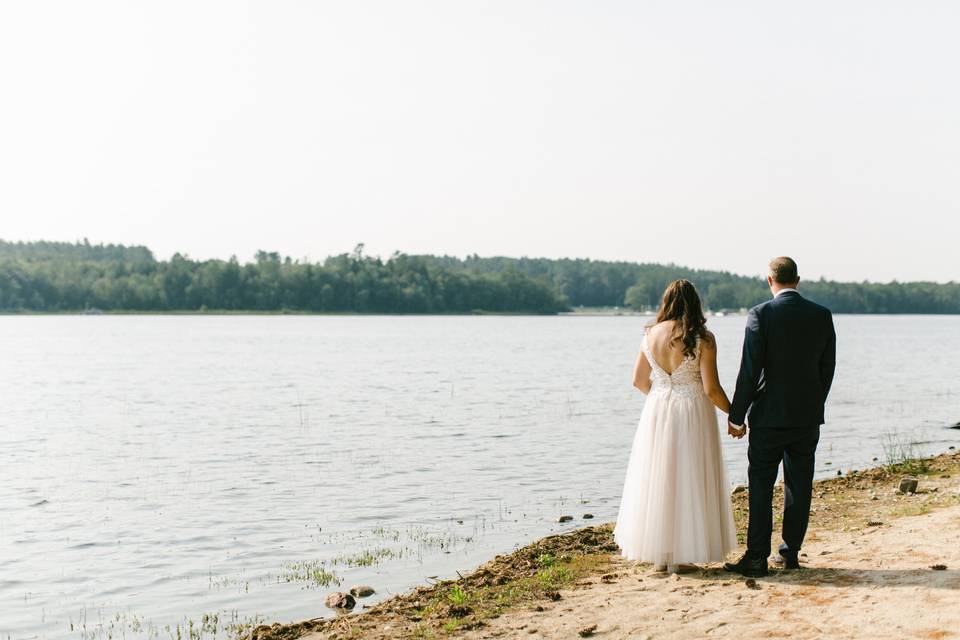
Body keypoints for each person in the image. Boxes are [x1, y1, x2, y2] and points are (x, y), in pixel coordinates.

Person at [613, 279, 737, 572]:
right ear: (695, 303)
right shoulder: (702, 338)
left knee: (659, 476)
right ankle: (681, 555)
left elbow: (638, 381)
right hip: (691, 409)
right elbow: (711, 389)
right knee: (688, 475)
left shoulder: (650, 335)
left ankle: (662, 554)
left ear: (665, 302)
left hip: (657, 408)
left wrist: (662, 395)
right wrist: (734, 414)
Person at [724, 257, 837, 578]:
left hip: (768, 417)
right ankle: (790, 554)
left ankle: (758, 556)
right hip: (807, 417)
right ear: (797, 280)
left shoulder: (761, 314)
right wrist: (815, 404)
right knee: (799, 486)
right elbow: (826, 369)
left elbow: (750, 369)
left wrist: (737, 415)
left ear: (769, 280)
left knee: (760, 485)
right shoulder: (821, 315)